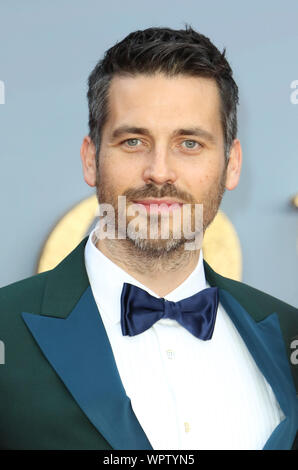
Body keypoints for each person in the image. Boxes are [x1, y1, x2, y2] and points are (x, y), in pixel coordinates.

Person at [0, 25, 297, 451]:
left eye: (189, 143)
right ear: (91, 159)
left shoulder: (289, 335)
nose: (159, 171)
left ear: (232, 164)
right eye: (134, 141)